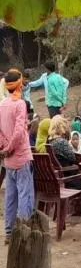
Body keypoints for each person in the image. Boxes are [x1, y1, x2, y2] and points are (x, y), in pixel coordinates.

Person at [0, 70, 34, 241]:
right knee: (24, 194)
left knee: (10, 196)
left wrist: (5, 148)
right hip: (20, 156)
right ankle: (23, 232)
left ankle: (9, 231)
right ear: (19, 84)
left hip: (8, 159)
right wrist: (11, 147)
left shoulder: (2, 104)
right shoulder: (19, 104)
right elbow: (20, 131)